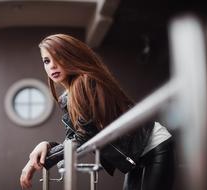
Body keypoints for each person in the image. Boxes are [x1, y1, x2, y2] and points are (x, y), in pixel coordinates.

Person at [19, 34, 175, 190]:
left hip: (154, 145)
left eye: (58, 57)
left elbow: (84, 136)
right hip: (137, 154)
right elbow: (73, 138)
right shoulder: (67, 97)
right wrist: (46, 145)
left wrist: (40, 162)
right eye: (46, 61)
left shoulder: (85, 81)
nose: (52, 65)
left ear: (71, 56)